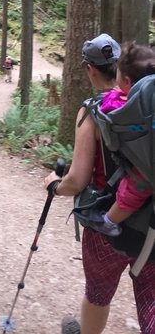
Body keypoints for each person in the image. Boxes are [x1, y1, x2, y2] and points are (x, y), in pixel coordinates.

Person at [43, 33, 155, 334]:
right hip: (153, 223)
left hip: (107, 227)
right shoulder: (150, 108)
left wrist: (56, 184)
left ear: (90, 69)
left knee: (98, 293)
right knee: (151, 304)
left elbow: (77, 180)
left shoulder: (93, 110)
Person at [83, 42, 155, 238]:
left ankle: (109, 221)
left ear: (126, 81)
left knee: (134, 188)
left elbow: (108, 117)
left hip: (145, 166)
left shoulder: (120, 105)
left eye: (118, 75)